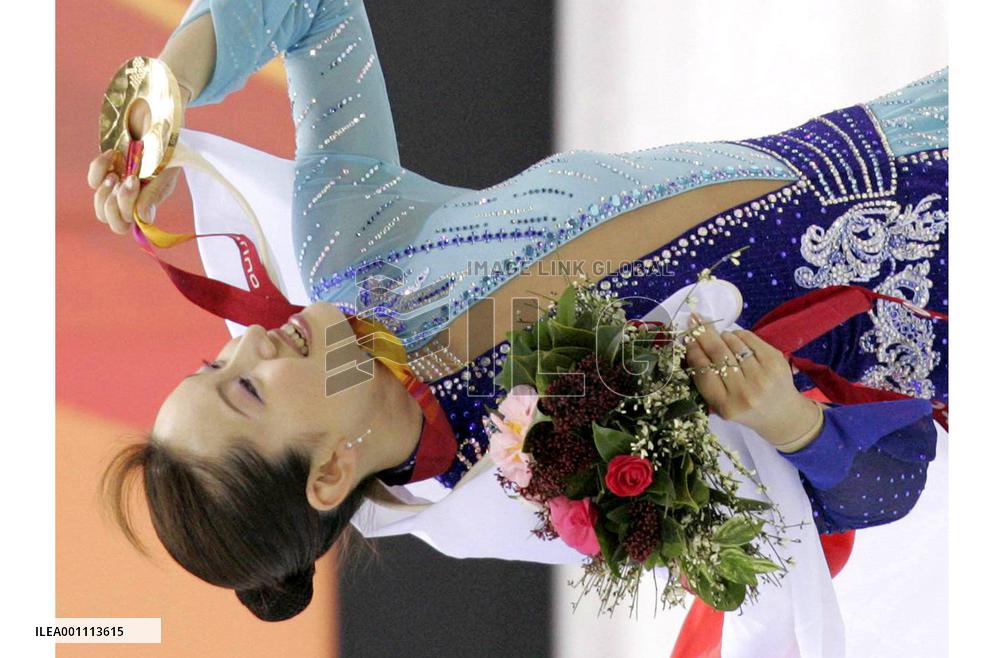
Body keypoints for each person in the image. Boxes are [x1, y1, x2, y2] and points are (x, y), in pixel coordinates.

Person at [90, 0, 946, 634]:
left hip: (915, 132)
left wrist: (167, 87)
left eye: (214, 366)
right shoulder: (542, 486)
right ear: (326, 478)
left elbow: (313, 13)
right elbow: (890, 480)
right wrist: (790, 422)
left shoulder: (358, 261)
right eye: (247, 392)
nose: (251, 343)